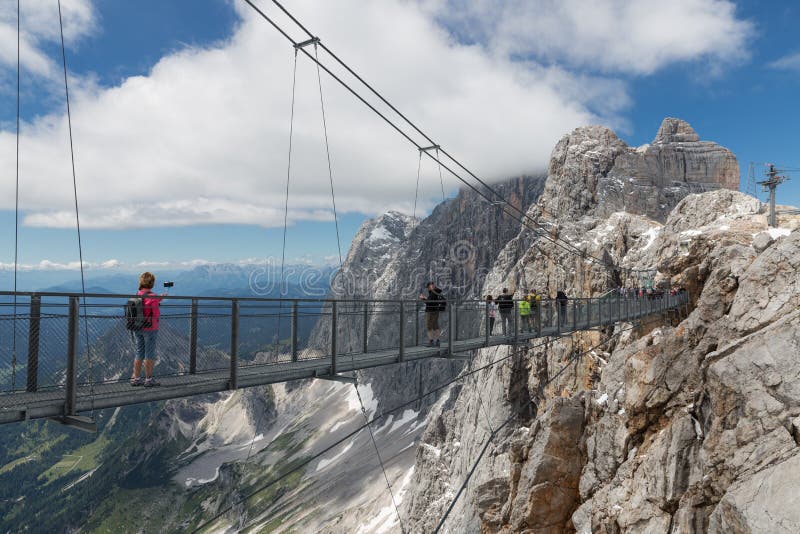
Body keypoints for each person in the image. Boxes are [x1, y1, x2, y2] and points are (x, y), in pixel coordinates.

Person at [130, 272, 164, 387]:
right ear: (152, 283)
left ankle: (136, 378)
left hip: (137, 327)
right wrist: (158, 300)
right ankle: (148, 380)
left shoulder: (137, 294)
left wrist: (158, 299)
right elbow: (155, 313)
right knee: (150, 353)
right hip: (150, 328)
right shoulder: (153, 296)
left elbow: (145, 303)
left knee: (139, 352)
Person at [419, 282, 444, 347]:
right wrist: (426, 298)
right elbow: (432, 300)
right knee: (435, 325)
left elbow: (429, 303)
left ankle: (431, 342)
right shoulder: (436, 291)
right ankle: (438, 341)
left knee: (429, 326)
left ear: (430, 286)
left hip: (431, 311)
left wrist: (423, 299)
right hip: (436, 310)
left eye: (428, 287)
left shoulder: (433, 292)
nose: (428, 289)